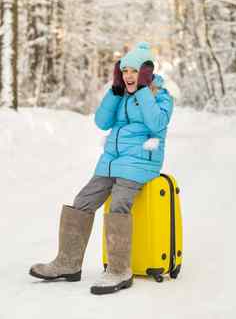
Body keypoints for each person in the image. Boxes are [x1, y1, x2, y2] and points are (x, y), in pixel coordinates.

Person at [29, 42, 174, 295]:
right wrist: (114, 93)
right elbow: (102, 122)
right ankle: (67, 263)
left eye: (134, 71)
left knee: (119, 203)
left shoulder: (159, 95)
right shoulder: (121, 94)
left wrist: (142, 91)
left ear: (146, 72)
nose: (128, 75)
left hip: (141, 162)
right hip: (111, 161)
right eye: (124, 71)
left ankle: (119, 270)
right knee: (82, 201)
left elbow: (157, 125)